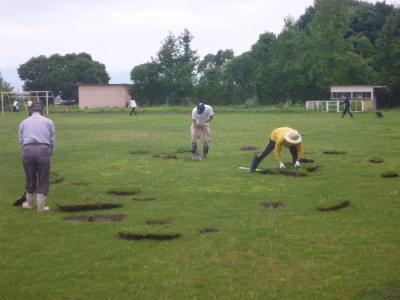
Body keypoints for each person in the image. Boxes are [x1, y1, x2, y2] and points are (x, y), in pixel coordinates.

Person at [18, 102, 56, 212]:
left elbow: (21, 139)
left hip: (27, 150)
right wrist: (50, 151)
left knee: (29, 177)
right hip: (43, 150)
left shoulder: (24, 122)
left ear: (31, 111)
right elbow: (52, 139)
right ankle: (41, 207)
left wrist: (25, 150)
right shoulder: (48, 121)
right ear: (42, 111)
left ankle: (29, 204)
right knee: (43, 179)